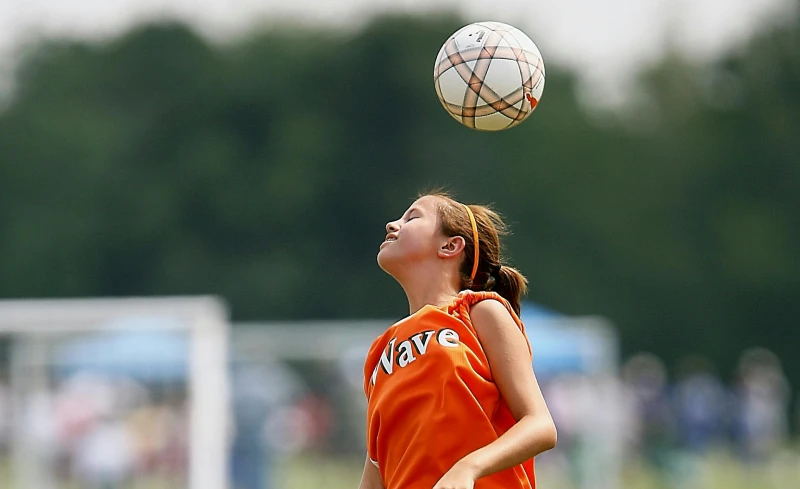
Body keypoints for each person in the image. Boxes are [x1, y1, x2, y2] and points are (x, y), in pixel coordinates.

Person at [360, 192, 557, 489]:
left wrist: (467, 468)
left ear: (450, 246)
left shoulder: (480, 312)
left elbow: (540, 426)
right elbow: (376, 471)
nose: (391, 224)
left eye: (412, 217)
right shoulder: (380, 353)